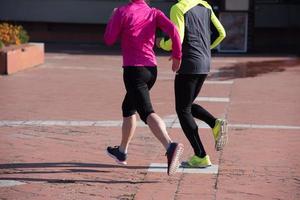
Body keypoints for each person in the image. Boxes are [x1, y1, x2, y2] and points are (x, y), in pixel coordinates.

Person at [104, 0, 184, 175]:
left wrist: (112, 17)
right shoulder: (154, 12)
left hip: (133, 70)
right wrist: (177, 55)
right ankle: (122, 151)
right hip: (151, 71)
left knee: (146, 112)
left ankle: (170, 146)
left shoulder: (122, 12)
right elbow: (174, 30)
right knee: (128, 107)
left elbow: (109, 39)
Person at [156, 0, 227, 168]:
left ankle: (201, 155)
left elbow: (177, 37)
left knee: (182, 110)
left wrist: (162, 44)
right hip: (204, 63)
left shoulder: (178, 8)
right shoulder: (206, 6)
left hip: (188, 64)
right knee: (186, 105)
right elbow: (221, 33)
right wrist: (203, 50)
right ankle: (215, 123)